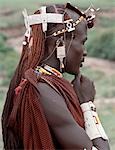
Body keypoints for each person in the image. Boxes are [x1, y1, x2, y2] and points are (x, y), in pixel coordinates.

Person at [2, 3, 110, 150]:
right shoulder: (43, 91)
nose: (84, 52)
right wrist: (87, 105)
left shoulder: (44, 85)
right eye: (82, 42)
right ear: (59, 42)